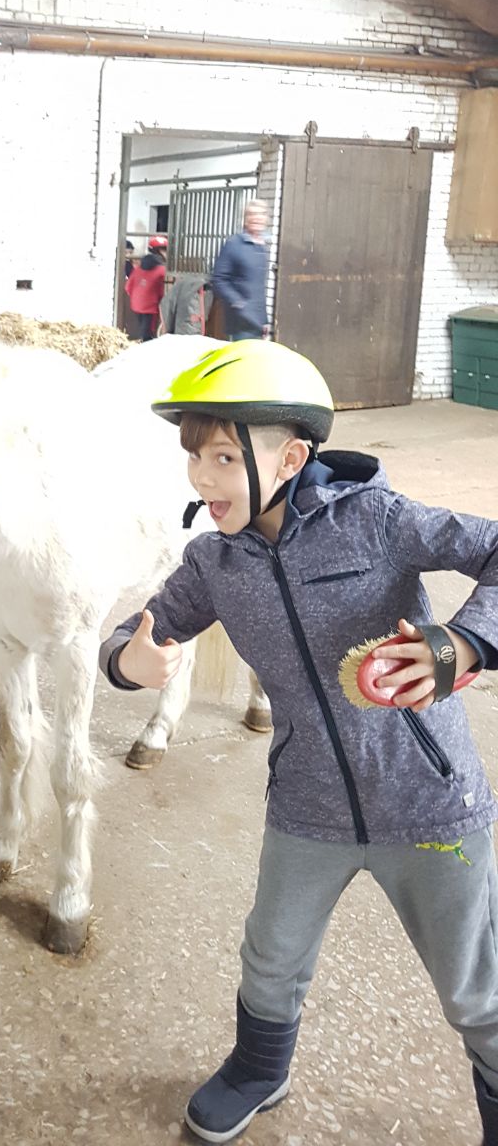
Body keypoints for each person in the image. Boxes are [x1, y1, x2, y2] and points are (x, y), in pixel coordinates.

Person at [98, 338, 498, 1144]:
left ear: (290, 459)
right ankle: (259, 1069)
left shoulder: (378, 521)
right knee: (271, 956)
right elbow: (134, 631)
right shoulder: (213, 563)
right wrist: (126, 662)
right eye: (194, 456)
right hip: (307, 803)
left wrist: (463, 644)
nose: (201, 478)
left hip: (430, 803)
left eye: (221, 456)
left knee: (473, 988)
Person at [210, 200, 269, 340]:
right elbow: (218, 279)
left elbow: (258, 289)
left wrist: (264, 320)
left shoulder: (261, 247)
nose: (256, 218)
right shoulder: (234, 244)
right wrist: (238, 302)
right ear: (245, 219)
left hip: (257, 322)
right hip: (240, 323)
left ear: (266, 219)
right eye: (252, 214)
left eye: (261, 214)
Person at [126, 235, 167, 341]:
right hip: (151, 305)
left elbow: (128, 287)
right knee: (148, 332)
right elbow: (165, 289)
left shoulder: (139, 268)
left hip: (136, 304)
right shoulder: (162, 270)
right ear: (159, 251)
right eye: (164, 250)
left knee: (143, 328)